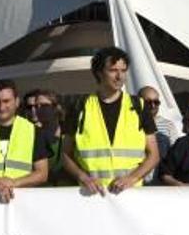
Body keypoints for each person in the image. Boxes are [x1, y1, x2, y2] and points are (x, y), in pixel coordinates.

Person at [61, 46, 159, 194]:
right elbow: (65, 154)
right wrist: (83, 177)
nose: (120, 76)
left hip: (131, 194)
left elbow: (154, 155)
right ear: (99, 73)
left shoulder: (139, 106)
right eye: (113, 70)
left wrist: (132, 178)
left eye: (123, 70)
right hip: (92, 195)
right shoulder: (79, 106)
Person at [139, 85, 180, 184]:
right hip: (137, 179)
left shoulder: (168, 125)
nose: (153, 106)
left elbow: (174, 155)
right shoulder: (130, 123)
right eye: (148, 102)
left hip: (160, 181)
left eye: (156, 102)